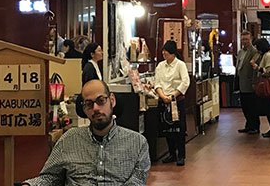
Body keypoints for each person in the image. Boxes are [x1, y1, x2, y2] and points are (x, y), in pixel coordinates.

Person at [21, 79, 150, 185]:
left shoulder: (137, 143)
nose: (95, 108)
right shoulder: (69, 139)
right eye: (89, 104)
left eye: (100, 101)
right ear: (83, 109)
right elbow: (49, 178)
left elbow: (137, 181)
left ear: (112, 100)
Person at [154, 40, 190, 166]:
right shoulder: (160, 66)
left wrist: (173, 95)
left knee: (178, 128)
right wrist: (163, 96)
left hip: (176, 101)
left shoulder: (180, 65)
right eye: (163, 51)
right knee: (167, 128)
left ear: (173, 53)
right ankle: (172, 154)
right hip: (164, 100)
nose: (164, 54)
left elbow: (185, 82)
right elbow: (157, 83)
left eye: (167, 52)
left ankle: (181, 155)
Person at [250, 38, 270, 138]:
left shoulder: (267, 56)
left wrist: (257, 67)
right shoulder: (265, 55)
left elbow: (269, 71)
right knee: (269, 109)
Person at [236, 30, 260, 134]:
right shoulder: (240, 52)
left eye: (246, 39)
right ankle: (248, 125)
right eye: (243, 39)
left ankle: (255, 126)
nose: (244, 41)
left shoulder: (254, 51)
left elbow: (255, 67)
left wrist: (254, 81)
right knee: (244, 105)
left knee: (252, 106)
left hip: (250, 83)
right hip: (241, 82)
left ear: (250, 39)